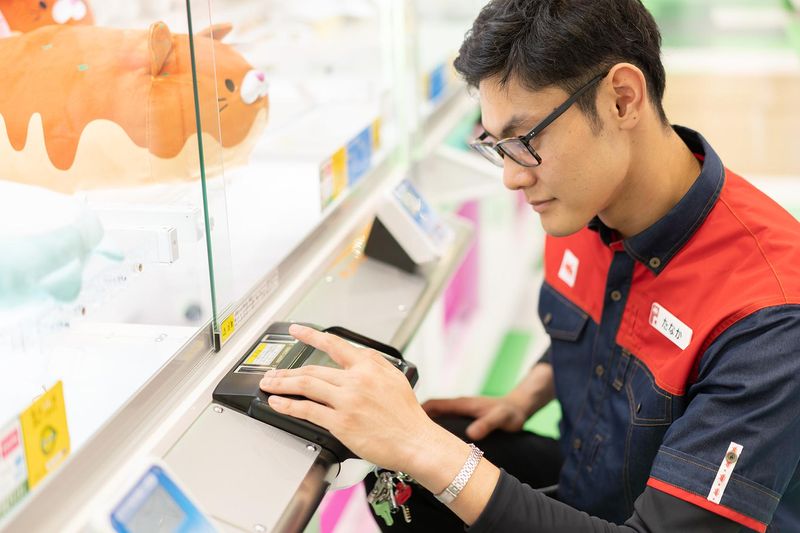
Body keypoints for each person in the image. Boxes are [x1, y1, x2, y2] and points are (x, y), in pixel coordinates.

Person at [259, 0, 800, 530]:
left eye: (525, 140)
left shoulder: (769, 319)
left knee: (425, 449)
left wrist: (426, 449)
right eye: (497, 145)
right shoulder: (585, 203)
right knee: (399, 468)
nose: (512, 178)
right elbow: (612, 321)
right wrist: (526, 394)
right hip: (595, 477)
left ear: (622, 100)